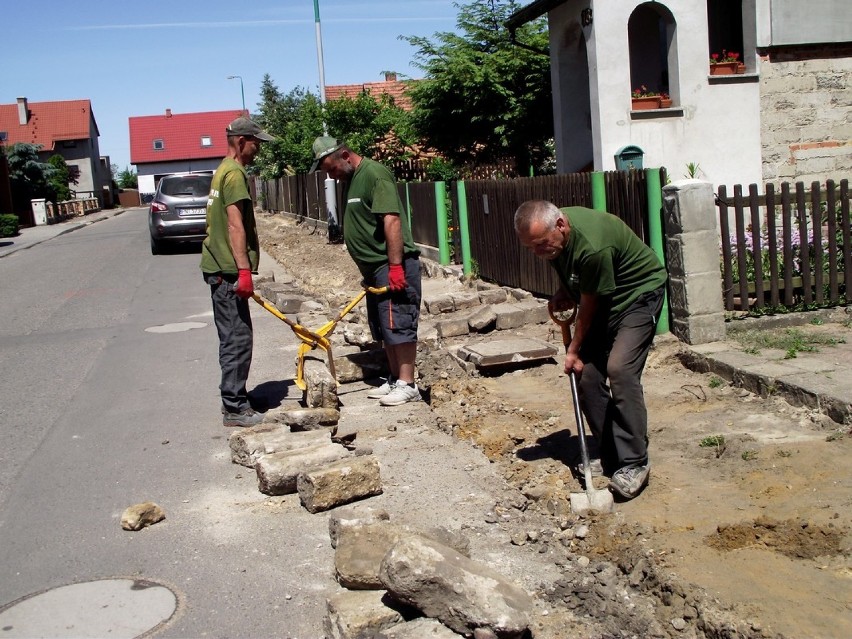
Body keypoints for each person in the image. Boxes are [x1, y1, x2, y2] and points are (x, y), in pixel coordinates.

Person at [514, 200, 667, 500]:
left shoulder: (593, 247)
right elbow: (575, 275)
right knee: (586, 378)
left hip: (637, 296)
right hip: (606, 298)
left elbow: (590, 303)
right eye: (531, 248)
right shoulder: (554, 238)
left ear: (560, 225)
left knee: (620, 370)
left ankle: (635, 462)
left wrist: (573, 348)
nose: (538, 253)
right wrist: (563, 292)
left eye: (541, 245)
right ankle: (612, 455)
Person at [310, 136, 422, 406]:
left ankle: (408, 384)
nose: (332, 176)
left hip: (391, 264)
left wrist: (395, 267)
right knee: (385, 327)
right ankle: (396, 378)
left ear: (345, 155)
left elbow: (391, 219)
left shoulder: (374, 174)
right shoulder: (350, 180)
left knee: (399, 323)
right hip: (375, 269)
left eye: (332, 169)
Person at [200, 116, 274, 427]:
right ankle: (233, 406)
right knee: (236, 339)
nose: (259, 147)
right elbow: (235, 225)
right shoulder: (234, 175)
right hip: (227, 271)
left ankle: (238, 396)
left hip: (220, 267)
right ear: (241, 141)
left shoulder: (222, 170)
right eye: (256, 141)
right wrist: (244, 271)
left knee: (237, 336)